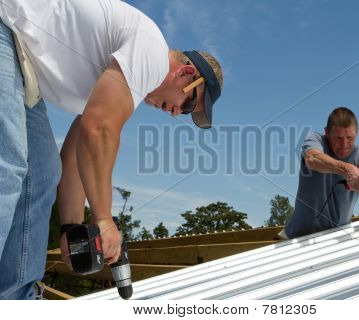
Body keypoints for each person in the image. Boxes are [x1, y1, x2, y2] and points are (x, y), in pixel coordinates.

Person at [0, 0, 223, 299]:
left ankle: (14, 299)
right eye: (186, 105)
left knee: (43, 173)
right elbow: (99, 128)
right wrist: (103, 218)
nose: (175, 112)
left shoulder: (117, 79)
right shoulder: (153, 54)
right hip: (6, 27)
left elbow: (77, 156)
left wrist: (72, 228)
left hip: (20, 58)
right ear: (185, 72)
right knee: (9, 166)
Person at [281, 107, 359, 239]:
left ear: (357, 133)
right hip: (296, 236)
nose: (344, 144)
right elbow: (312, 159)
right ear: (326, 133)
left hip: (336, 240)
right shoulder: (316, 140)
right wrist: (347, 169)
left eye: (350, 137)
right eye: (338, 138)